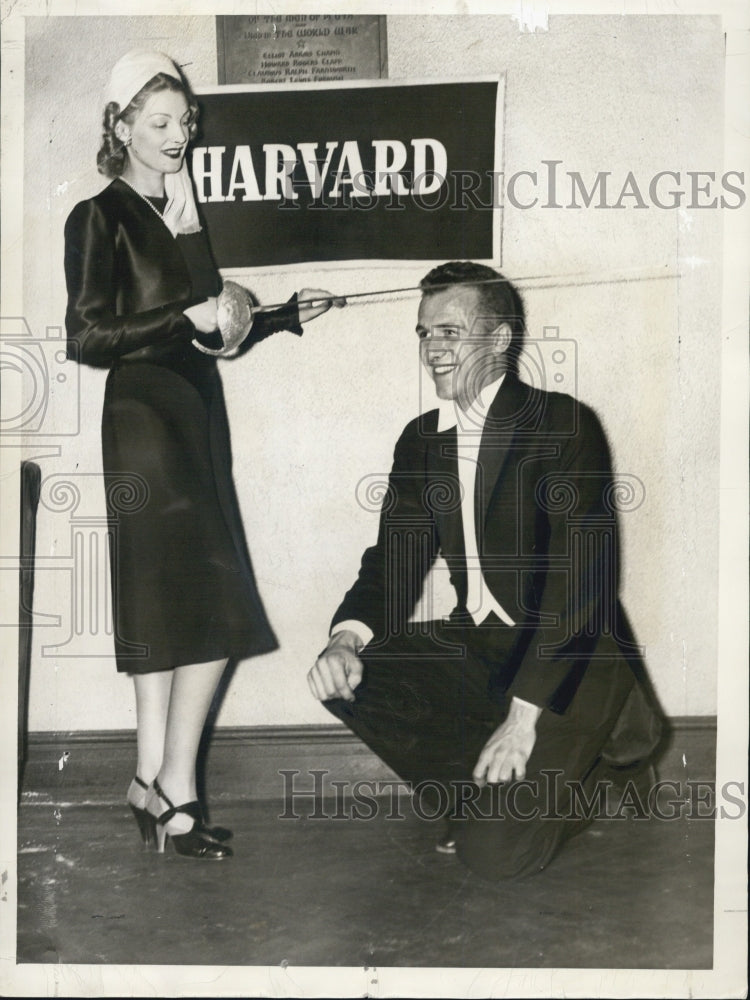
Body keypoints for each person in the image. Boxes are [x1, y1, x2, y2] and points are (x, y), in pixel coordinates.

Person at [64, 49, 342, 860]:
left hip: (194, 413)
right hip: (144, 421)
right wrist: (184, 318)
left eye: (184, 120)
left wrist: (287, 315)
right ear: (120, 127)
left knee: (181, 610)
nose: (178, 134)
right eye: (159, 122)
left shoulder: (184, 210)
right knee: (196, 609)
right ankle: (174, 788)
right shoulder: (99, 215)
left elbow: (213, 328)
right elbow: (88, 335)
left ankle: (152, 778)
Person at [308, 261, 661, 880]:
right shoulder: (419, 442)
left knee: (494, 857)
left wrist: (523, 722)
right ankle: (475, 797)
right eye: (423, 334)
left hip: (572, 658)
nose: (432, 349)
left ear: (499, 339)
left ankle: (601, 776)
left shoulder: (563, 424)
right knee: (354, 675)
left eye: (450, 331)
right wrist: (343, 640)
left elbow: (579, 586)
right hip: (481, 642)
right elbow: (395, 559)